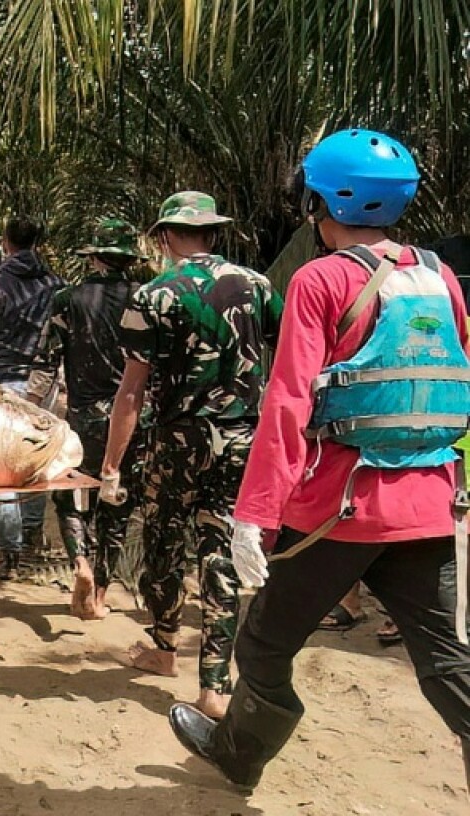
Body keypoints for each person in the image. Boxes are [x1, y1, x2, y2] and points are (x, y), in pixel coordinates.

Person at [170, 129, 470, 793]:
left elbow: (288, 404)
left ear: (321, 203)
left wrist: (255, 513)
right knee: (447, 664)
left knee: (263, 645)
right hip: (429, 505)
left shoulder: (320, 278)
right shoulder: (439, 276)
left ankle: (240, 755)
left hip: (341, 508)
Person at [101, 191, 283, 719]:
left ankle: (162, 647)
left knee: (163, 541)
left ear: (164, 236)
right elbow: (284, 355)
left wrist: (113, 463)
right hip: (242, 439)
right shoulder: (259, 286)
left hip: (178, 441)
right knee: (220, 549)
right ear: (213, 232)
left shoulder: (155, 295)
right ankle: (214, 684)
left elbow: (131, 391)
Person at [30, 218, 145, 618]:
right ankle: (99, 594)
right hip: (131, 419)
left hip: (82, 416)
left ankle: (79, 560)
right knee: (117, 502)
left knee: (68, 495)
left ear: (93, 256)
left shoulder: (67, 299)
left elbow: (46, 361)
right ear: (129, 258)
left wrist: (33, 410)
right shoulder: (144, 298)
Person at [0, 217, 59, 579]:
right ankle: (33, 534)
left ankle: (9, 550)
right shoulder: (54, 284)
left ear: (6, 242)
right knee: (37, 459)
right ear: (38, 240)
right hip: (40, 383)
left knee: (3, 471)